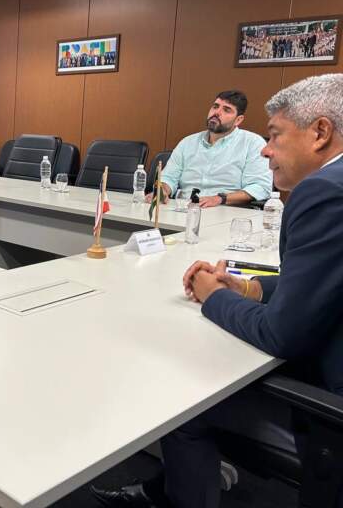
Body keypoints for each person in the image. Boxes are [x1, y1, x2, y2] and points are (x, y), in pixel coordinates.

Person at [92, 74, 343, 508]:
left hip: (326, 404)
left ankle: (174, 496)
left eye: (275, 135)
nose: (265, 149)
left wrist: (213, 295)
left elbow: (280, 335)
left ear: (320, 132)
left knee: (179, 398)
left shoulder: (323, 192)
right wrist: (249, 288)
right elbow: (325, 279)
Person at [149, 90, 272, 207]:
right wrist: (162, 190)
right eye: (215, 106)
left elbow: (260, 187)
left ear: (238, 120)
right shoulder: (188, 142)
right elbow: (169, 177)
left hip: (226, 211)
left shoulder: (253, 143)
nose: (217, 112)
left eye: (226, 110)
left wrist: (219, 199)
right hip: (184, 208)